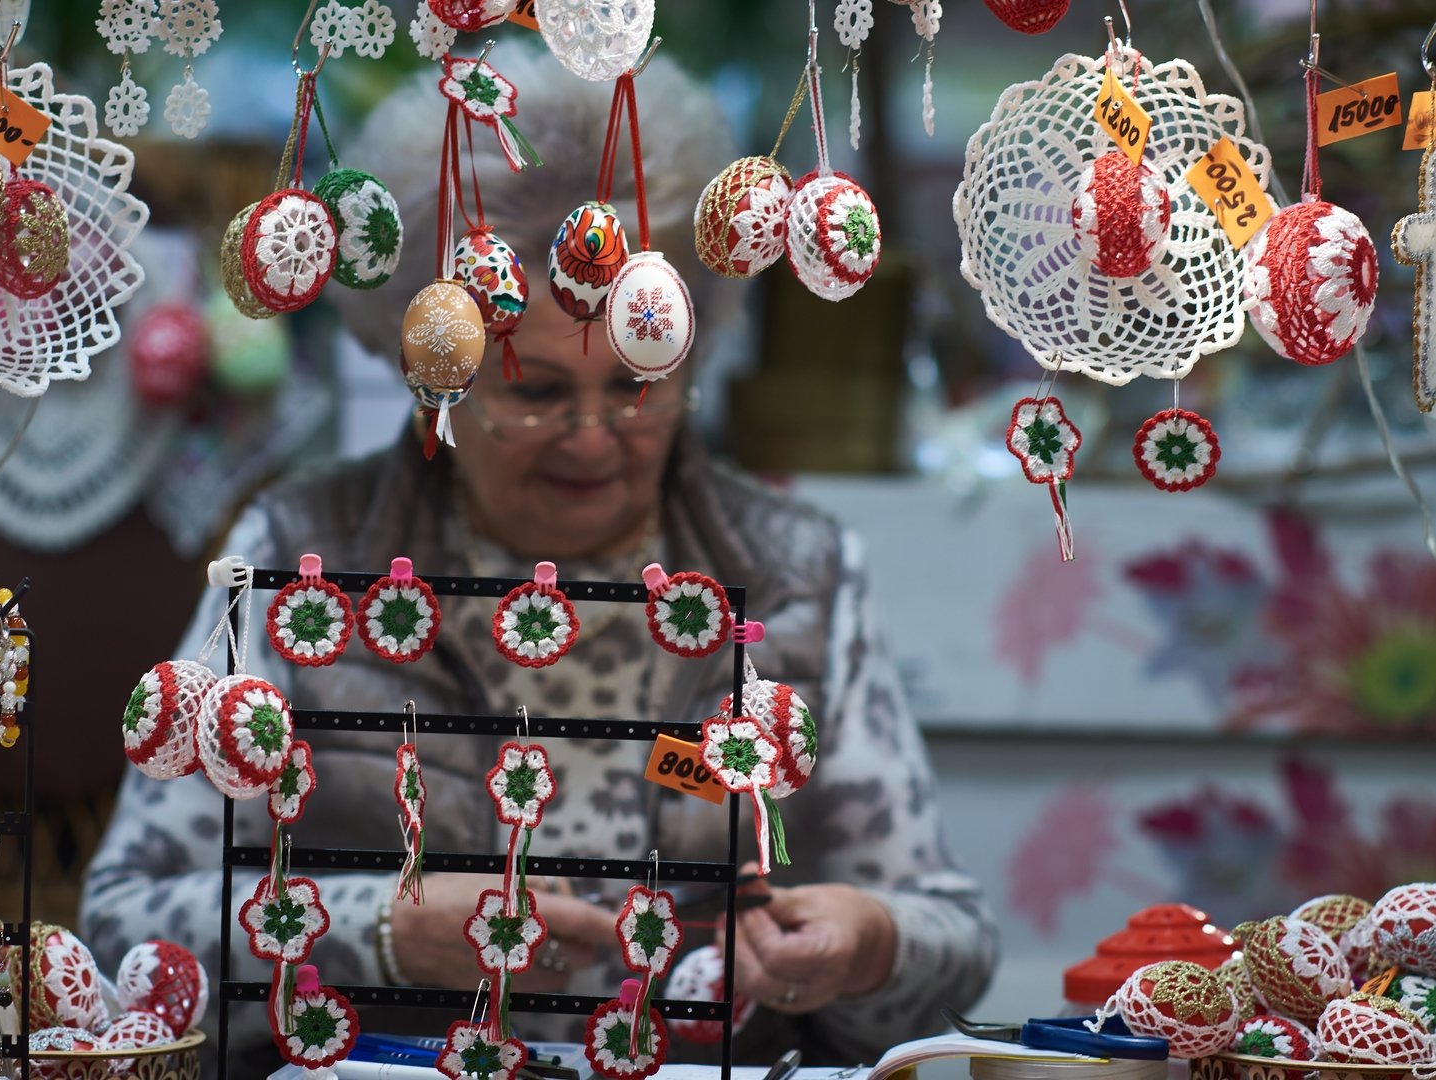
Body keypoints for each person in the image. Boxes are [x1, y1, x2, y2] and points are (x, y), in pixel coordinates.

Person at [82, 41, 995, 1073]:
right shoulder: (305, 559)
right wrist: (376, 930)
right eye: (537, 392)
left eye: (641, 382)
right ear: (436, 369)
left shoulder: (795, 575)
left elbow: (953, 944)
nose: (598, 435)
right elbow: (127, 930)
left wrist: (866, 949)